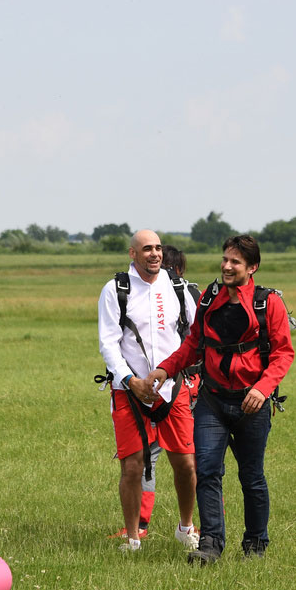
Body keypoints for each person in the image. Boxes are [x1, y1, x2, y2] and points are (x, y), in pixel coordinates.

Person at [148, 235, 295, 564]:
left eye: (235, 262)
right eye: (225, 259)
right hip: (212, 400)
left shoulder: (268, 303)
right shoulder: (209, 297)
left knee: (251, 476)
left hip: (251, 404)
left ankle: (256, 545)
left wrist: (263, 388)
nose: (227, 266)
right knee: (207, 470)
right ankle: (211, 544)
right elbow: (193, 344)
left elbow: (283, 353)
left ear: (252, 267)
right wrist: (164, 369)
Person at [97, 230, 200, 552]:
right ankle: (132, 538)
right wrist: (131, 381)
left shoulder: (180, 289)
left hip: (173, 387)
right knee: (133, 465)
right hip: (128, 389)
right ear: (133, 253)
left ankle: (186, 527)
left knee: (185, 463)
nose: (154, 254)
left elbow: (195, 339)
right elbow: (108, 342)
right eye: (146, 249)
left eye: (157, 248)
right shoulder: (116, 289)